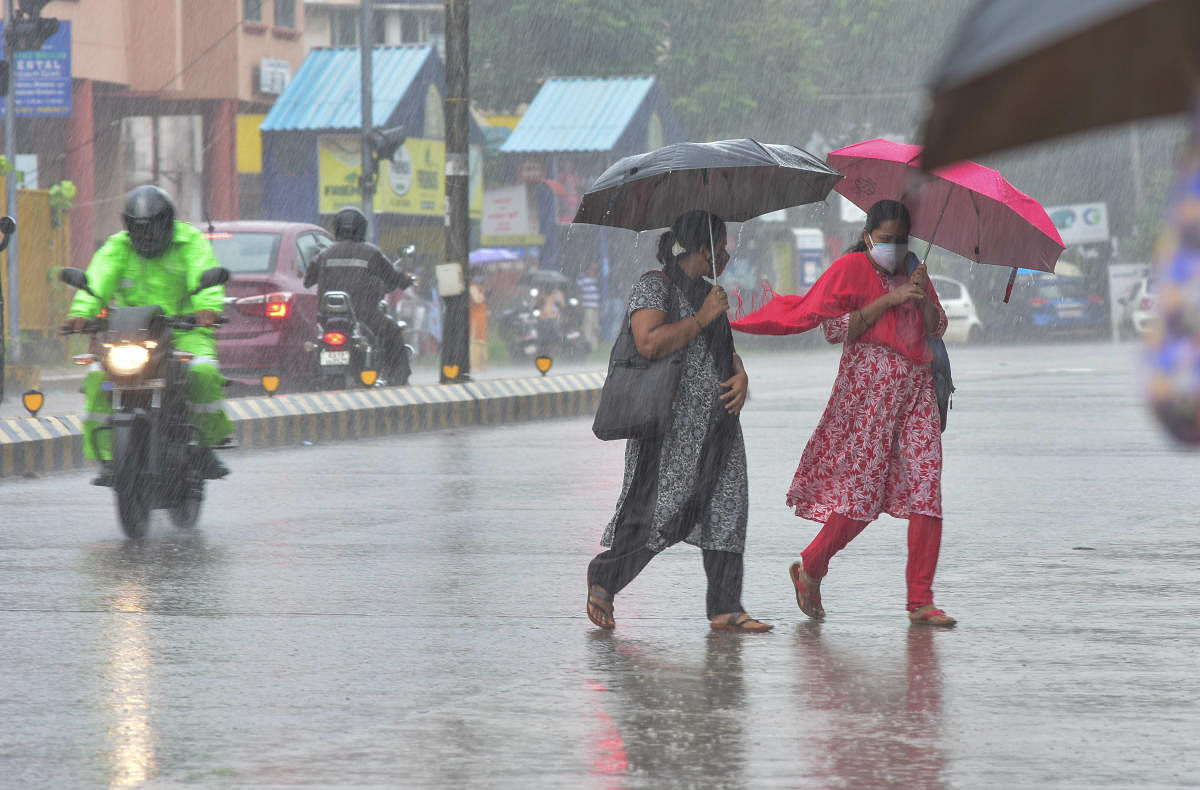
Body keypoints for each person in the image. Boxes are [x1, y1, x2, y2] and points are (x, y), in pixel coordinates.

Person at [733, 199, 954, 627]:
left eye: (900, 240)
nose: (893, 247)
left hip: (917, 391)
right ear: (868, 236)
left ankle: (921, 599)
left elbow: (936, 327)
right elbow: (836, 328)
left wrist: (921, 295)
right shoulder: (850, 269)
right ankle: (812, 566)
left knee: (927, 487)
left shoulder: (915, 270)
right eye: (885, 239)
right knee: (863, 494)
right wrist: (888, 301)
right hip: (869, 393)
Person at [586, 210, 771, 633]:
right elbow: (649, 342)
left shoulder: (712, 293)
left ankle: (726, 606)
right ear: (703, 248)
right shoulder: (655, 286)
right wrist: (702, 317)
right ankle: (605, 576)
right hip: (669, 429)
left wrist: (741, 374)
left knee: (727, 510)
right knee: (661, 514)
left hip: (720, 424)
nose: (725, 255)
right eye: (720, 247)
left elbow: (726, 350)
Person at [63, 184, 234, 483]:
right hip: (130, 333)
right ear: (129, 227)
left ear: (167, 223)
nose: (147, 236)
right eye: (139, 230)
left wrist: (207, 308)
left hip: (185, 330)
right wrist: (81, 313)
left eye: (152, 229)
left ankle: (204, 447)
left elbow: (203, 270)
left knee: (203, 372)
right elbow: (98, 278)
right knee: (97, 378)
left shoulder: (190, 241)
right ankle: (107, 455)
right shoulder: (118, 247)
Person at [303, 207, 414, 385]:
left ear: (337, 227)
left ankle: (309, 379)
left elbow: (308, 280)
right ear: (361, 228)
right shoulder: (371, 253)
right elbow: (393, 277)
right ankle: (399, 380)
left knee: (309, 342)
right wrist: (405, 280)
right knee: (393, 332)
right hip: (364, 315)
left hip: (328, 318)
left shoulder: (324, 254)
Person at [576, 261, 601, 349]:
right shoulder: (582, 277)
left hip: (594, 307)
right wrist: (581, 304)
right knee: (587, 326)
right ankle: (588, 344)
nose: (594, 271)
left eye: (595, 269)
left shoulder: (594, 279)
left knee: (595, 326)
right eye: (592, 269)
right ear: (588, 269)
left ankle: (594, 346)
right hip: (587, 306)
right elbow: (578, 291)